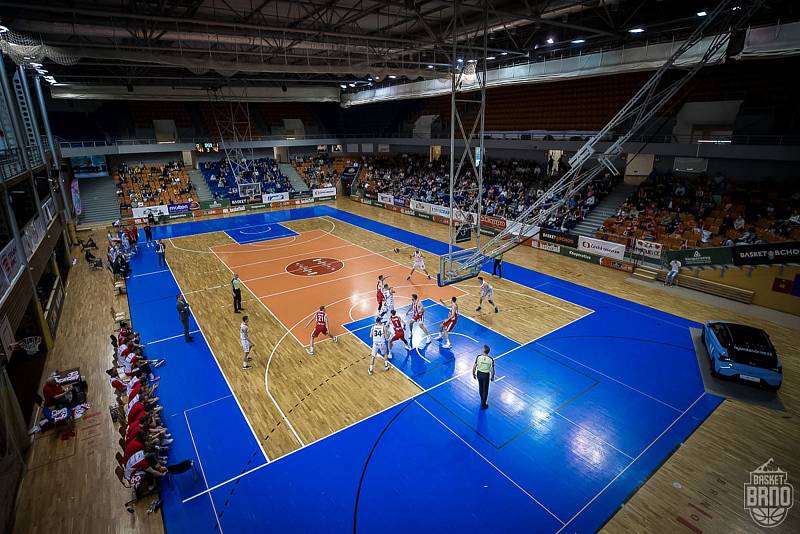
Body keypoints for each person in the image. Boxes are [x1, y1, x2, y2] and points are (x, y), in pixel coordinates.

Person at [472, 345, 495, 409]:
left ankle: (482, 399)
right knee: (485, 390)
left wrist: (473, 373)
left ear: (484, 350)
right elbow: (492, 369)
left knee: (481, 387)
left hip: (479, 373)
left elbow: (474, 366)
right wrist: (492, 376)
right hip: (486, 375)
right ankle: (483, 404)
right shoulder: (490, 359)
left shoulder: (478, 357)